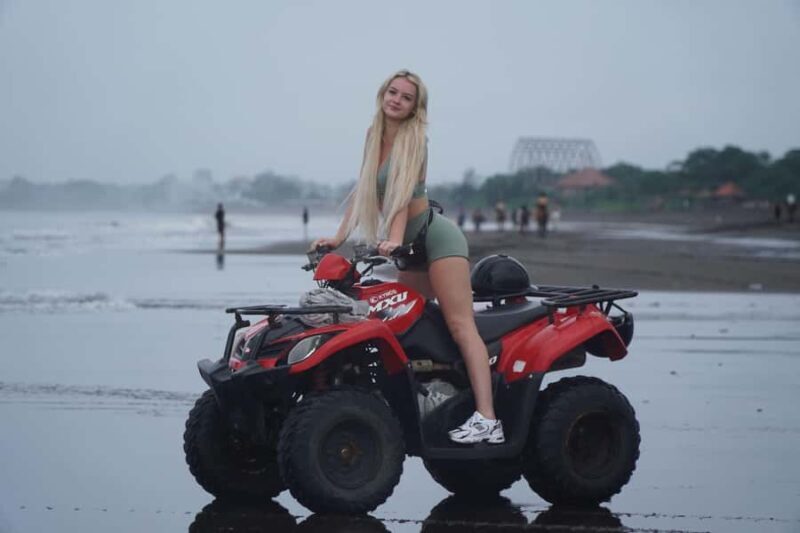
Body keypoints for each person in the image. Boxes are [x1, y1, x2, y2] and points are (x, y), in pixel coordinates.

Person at [311, 70, 504, 444]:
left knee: (461, 325)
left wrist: (394, 239)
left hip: (435, 239)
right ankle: (435, 400)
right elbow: (363, 188)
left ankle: (488, 418)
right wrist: (337, 238)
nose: (396, 99)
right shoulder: (373, 135)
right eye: (393, 92)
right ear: (383, 93)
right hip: (408, 250)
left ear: (416, 107)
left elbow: (399, 194)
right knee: (407, 327)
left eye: (406, 97)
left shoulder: (415, 139)